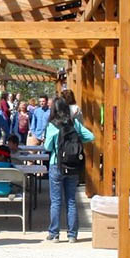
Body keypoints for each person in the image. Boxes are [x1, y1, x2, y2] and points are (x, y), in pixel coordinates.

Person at [44, 96, 95, 242]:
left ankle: (54, 233)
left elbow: (47, 147)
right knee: (71, 200)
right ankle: (72, 234)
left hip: (56, 164)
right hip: (72, 166)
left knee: (56, 201)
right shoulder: (75, 123)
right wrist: (78, 141)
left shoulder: (53, 125)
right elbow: (91, 136)